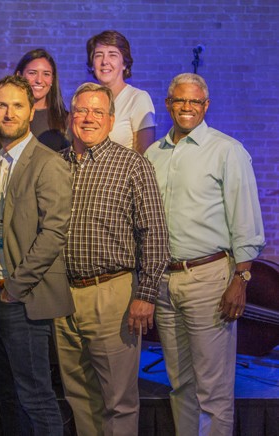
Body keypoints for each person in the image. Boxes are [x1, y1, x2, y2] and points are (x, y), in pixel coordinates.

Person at [145, 73, 265, 435]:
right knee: (180, 383)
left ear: (206, 106)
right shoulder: (153, 154)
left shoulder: (226, 150)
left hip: (209, 278)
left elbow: (245, 219)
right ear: (168, 104)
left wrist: (240, 279)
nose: (186, 108)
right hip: (165, 281)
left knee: (213, 390)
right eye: (180, 101)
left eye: (194, 102)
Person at [55, 82, 170, 435]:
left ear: (111, 119)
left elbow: (154, 233)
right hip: (62, 296)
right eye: (82, 111)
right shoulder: (56, 164)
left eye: (97, 112)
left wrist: (145, 294)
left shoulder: (132, 165)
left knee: (118, 401)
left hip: (113, 293)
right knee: (79, 395)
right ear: (71, 116)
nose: (88, 118)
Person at [0, 75, 74, 435]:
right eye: (1, 105)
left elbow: (54, 233)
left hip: (21, 296)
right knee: (7, 395)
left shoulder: (48, 163)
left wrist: (15, 288)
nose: (9, 112)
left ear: (31, 112)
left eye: (18, 105)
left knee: (36, 397)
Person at [0, 48, 70, 154]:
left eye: (46, 74)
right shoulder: (5, 113)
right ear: (19, 75)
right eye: (32, 73)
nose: (39, 80)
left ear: (52, 79)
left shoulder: (65, 119)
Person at [86, 30, 155, 154]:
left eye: (112, 55)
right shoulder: (86, 100)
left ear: (124, 64)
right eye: (99, 55)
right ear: (92, 64)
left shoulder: (138, 99)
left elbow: (145, 156)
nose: (104, 61)